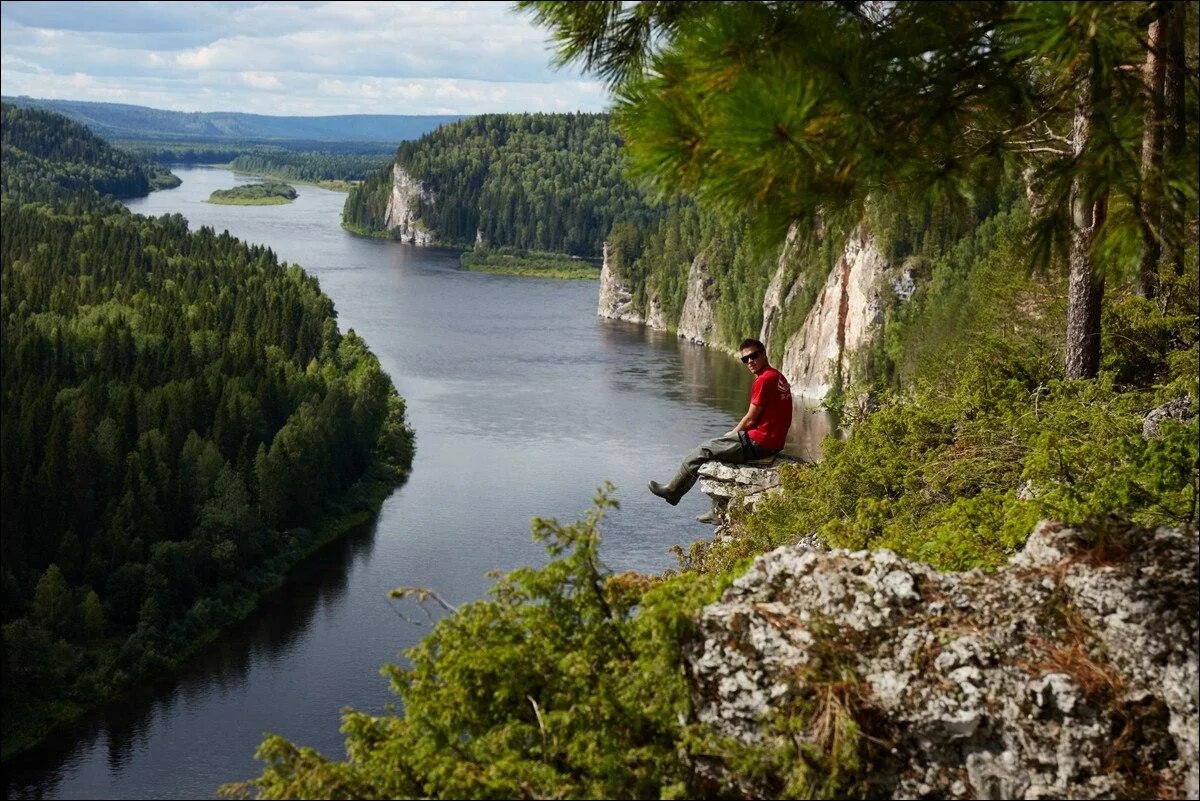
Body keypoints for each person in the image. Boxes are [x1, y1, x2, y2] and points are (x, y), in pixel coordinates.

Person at [649, 338, 792, 505]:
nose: (750, 361)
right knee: (720, 453)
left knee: (704, 450)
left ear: (764, 354)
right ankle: (718, 510)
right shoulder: (777, 376)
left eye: (754, 356)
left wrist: (733, 433)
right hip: (773, 442)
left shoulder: (764, 379)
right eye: (745, 359)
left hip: (760, 442)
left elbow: (751, 418)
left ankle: (673, 491)